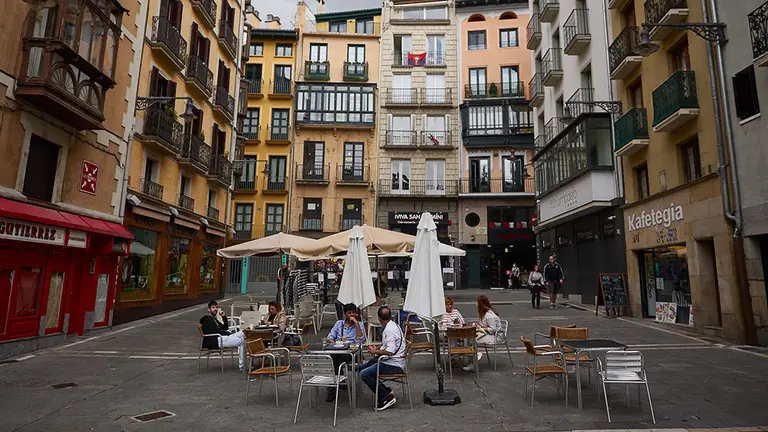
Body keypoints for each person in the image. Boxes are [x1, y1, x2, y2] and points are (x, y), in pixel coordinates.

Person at [360, 306, 405, 411]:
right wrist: (378, 349)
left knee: (364, 373)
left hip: (394, 365)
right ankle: (385, 390)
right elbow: (388, 346)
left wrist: (375, 351)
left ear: (379, 318)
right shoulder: (394, 325)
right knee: (362, 367)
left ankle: (385, 397)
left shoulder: (389, 330)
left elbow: (390, 351)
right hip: (394, 361)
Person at [325, 303, 366, 402]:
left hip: (353, 353)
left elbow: (362, 340)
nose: (351, 315)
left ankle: (333, 388)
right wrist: (334, 342)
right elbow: (330, 337)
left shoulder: (359, 324)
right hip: (339, 351)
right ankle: (338, 382)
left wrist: (356, 324)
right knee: (335, 357)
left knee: (334, 360)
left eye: (353, 313)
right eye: (349, 313)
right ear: (345, 314)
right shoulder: (339, 324)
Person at [199, 300, 246, 371]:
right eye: (213, 307)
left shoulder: (214, 319)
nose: (215, 309)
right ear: (209, 309)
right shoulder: (207, 319)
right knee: (241, 342)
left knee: (242, 334)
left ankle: (243, 362)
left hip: (219, 337)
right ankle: (242, 365)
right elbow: (217, 331)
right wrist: (228, 334)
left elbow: (225, 328)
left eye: (216, 307)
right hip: (215, 340)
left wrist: (223, 317)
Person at [464, 295, 502, 372]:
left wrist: (481, 328)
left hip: (495, 336)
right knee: (470, 338)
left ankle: (475, 357)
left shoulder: (489, 315)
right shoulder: (486, 313)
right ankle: (473, 361)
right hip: (490, 334)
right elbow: (486, 326)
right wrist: (479, 326)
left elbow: (493, 329)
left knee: (472, 340)